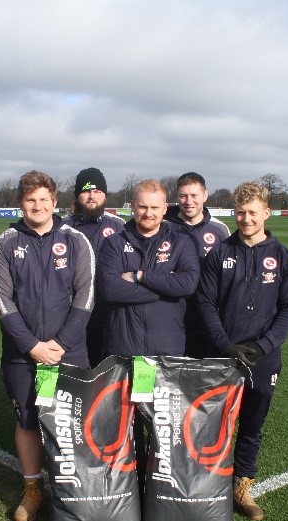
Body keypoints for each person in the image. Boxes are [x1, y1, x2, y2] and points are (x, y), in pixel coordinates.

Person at [0, 170, 95, 521]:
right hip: (22, 355)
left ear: (54, 202)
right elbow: (1, 301)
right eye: (30, 200)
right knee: (29, 420)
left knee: (69, 422)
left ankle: (73, 491)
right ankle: (33, 489)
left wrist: (60, 344)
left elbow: (85, 295)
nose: (37, 205)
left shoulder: (76, 240)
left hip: (69, 352)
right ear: (21, 203)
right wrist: (33, 346)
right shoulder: (3, 244)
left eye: (44, 199)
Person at [197, 181, 288, 521]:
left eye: (252, 213)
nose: (245, 219)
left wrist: (263, 346)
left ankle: (242, 486)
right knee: (212, 424)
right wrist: (225, 345)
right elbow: (206, 303)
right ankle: (206, 487)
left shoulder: (284, 257)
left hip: (263, 357)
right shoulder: (219, 254)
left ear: (266, 213)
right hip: (223, 355)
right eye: (240, 212)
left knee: (251, 425)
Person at [97, 178, 200, 489]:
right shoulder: (114, 243)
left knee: (163, 426)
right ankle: (131, 487)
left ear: (164, 207)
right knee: (126, 426)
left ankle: (161, 487)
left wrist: (140, 276)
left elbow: (187, 284)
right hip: (124, 350)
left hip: (165, 351)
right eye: (142, 206)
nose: (148, 212)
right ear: (132, 205)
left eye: (155, 207)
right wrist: (162, 288)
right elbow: (110, 288)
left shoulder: (181, 241)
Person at [61, 167, 125, 367]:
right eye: (86, 191)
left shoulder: (119, 226)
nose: (91, 196)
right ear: (77, 195)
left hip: (108, 313)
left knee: (105, 371)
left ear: (105, 195)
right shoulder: (62, 227)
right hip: (70, 313)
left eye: (97, 191)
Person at [164, 172, 230, 358]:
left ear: (205, 195)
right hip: (169, 313)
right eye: (183, 195)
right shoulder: (163, 225)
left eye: (194, 195)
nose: (188, 201)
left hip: (205, 317)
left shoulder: (220, 230)